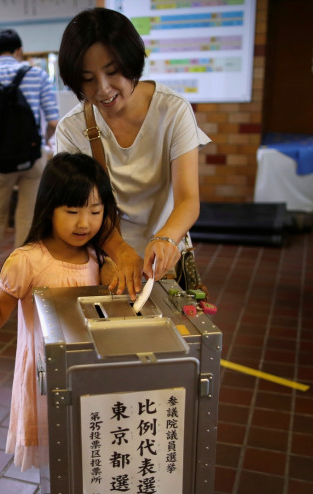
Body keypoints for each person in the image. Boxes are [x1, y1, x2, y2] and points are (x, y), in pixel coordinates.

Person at [0, 152, 118, 470]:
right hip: (43, 380)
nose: (84, 222)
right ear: (49, 208)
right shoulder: (27, 260)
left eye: (95, 211)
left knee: (88, 454)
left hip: (86, 375)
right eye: (72, 211)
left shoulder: (97, 258)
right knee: (53, 465)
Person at [55, 7, 211, 300]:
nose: (103, 89)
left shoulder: (173, 110)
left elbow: (189, 199)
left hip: (164, 259)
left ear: (132, 61)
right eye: (87, 78)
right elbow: (76, 210)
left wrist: (166, 239)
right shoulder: (71, 130)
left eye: (113, 72)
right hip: (103, 260)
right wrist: (120, 251)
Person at [0, 28, 60, 290]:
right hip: (32, 157)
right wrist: (43, 141)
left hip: (0, 162)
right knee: (27, 216)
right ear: (20, 52)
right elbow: (52, 120)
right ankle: (19, 273)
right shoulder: (37, 75)